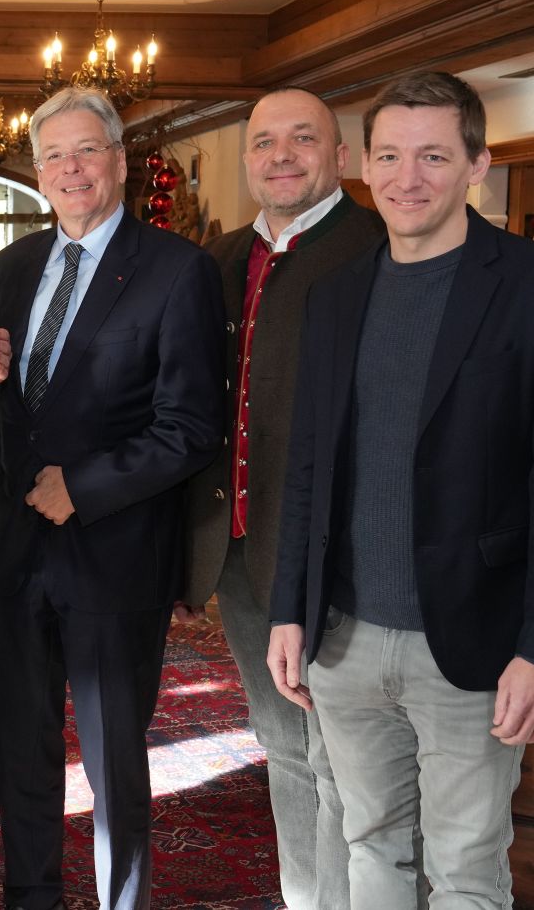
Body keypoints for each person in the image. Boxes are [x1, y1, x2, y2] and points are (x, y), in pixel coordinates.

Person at [268, 70, 534, 908]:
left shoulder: (524, 285)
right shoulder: (337, 294)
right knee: (369, 849)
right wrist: (289, 608)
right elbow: (308, 465)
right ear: (365, 165)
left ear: (477, 164)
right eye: (389, 156)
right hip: (344, 638)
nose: (406, 177)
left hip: (474, 643)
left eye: (432, 156)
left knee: (465, 870)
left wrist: (533, 646)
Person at [0, 87, 226, 910]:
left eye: (87, 150)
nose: (71, 168)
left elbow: (192, 428)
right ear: (37, 172)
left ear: (121, 162)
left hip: (116, 556)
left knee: (113, 760)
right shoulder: (15, 264)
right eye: (53, 155)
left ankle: (121, 899)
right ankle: (31, 895)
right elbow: (14, 404)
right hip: (16, 553)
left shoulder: (178, 269)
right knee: (20, 747)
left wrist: (83, 487)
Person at [179, 87, 385, 910]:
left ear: (340, 156)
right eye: (265, 141)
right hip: (239, 552)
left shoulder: (377, 248)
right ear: (247, 158)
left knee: (343, 759)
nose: (282, 155)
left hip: (337, 560)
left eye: (304, 138)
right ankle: (307, 897)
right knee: (284, 744)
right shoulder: (221, 257)